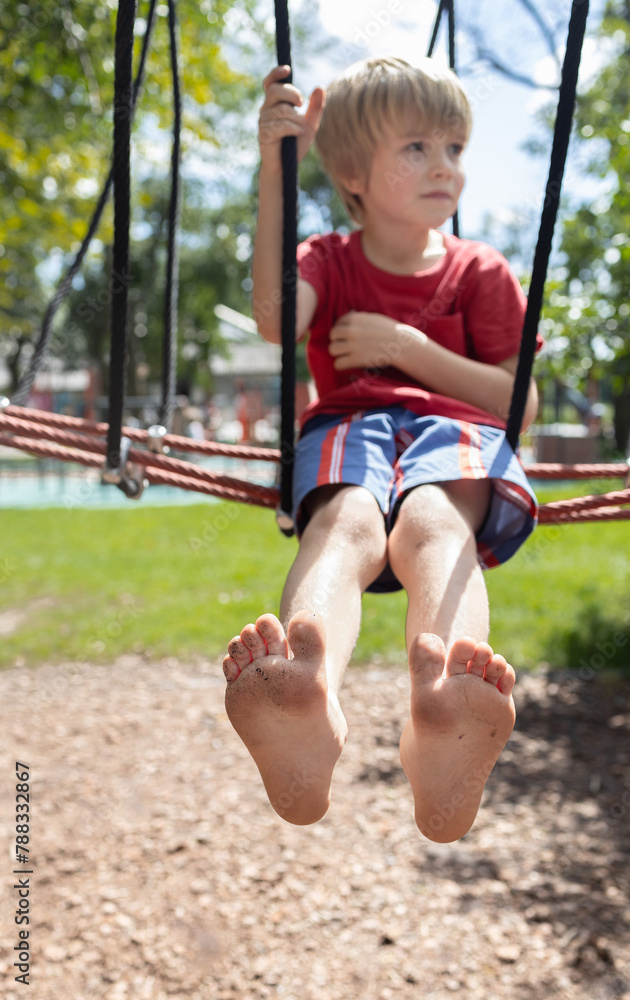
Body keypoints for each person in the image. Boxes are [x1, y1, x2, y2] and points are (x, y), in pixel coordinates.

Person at [222, 57, 540, 843]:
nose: (445, 165)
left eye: (456, 148)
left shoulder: (480, 272)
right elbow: (273, 317)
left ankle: (443, 698)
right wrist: (275, 170)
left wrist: (409, 347)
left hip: (454, 431)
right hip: (348, 428)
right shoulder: (328, 260)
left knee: (435, 520)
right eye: (418, 148)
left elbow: (519, 401)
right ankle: (309, 687)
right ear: (355, 174)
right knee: (347, 525)